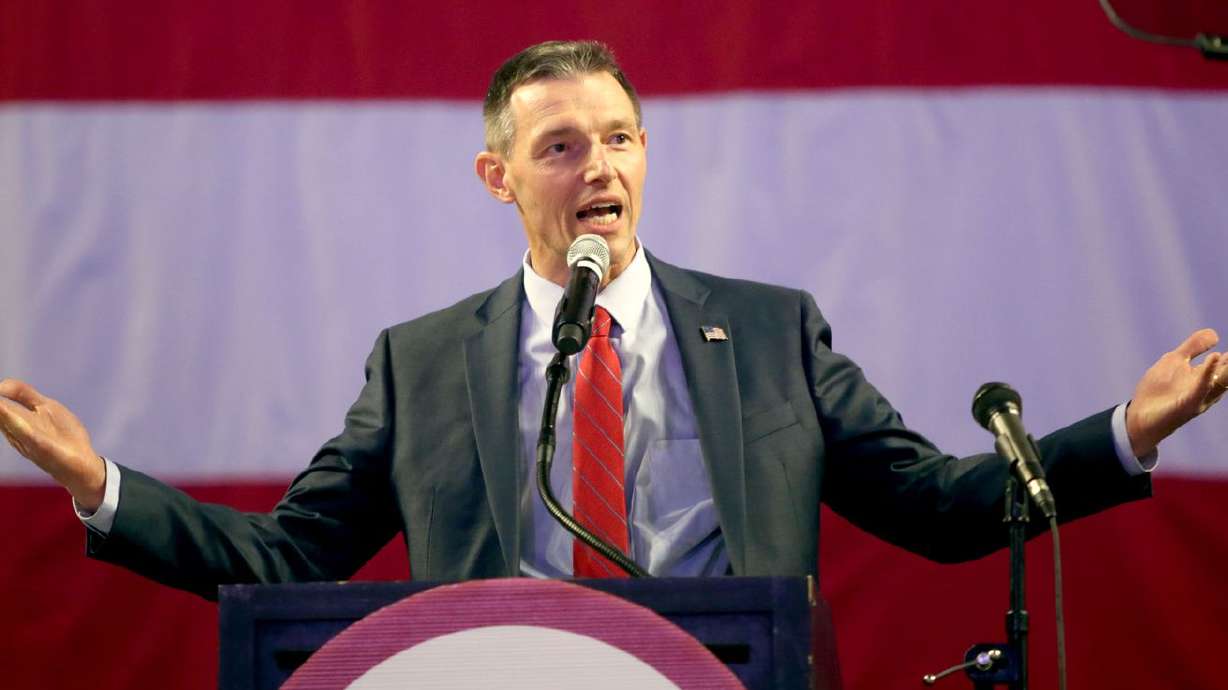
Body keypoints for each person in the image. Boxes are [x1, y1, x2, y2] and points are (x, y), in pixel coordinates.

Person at [1, 41, 1225, 597]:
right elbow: (292, 558)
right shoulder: (420, 365)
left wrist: (1127, 430)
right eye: (561, 146)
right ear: (498, 177)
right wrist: (103, 486)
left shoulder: (770, 335)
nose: (600, 165)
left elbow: (939, 509)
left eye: (621, 137)